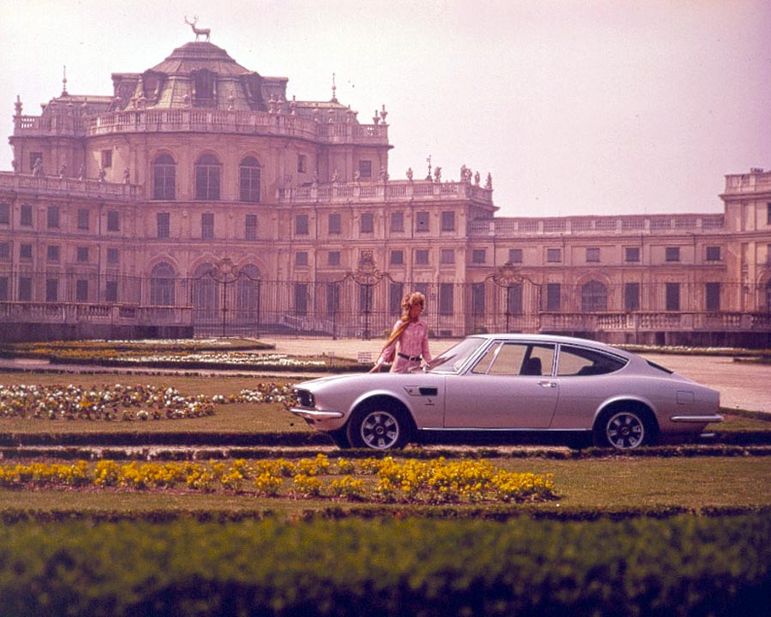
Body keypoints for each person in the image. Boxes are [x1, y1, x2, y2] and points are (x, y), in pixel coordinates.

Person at [372, 291, 432, 373]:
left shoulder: (423, 326)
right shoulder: (401, 324)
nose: (416, 313)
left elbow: (425, 351)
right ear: (409, 309)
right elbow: (391, 346)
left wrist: (432, 365)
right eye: (414, 309)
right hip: (400, 365)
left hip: (415, 366)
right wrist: (379, 363)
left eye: (419, 310)